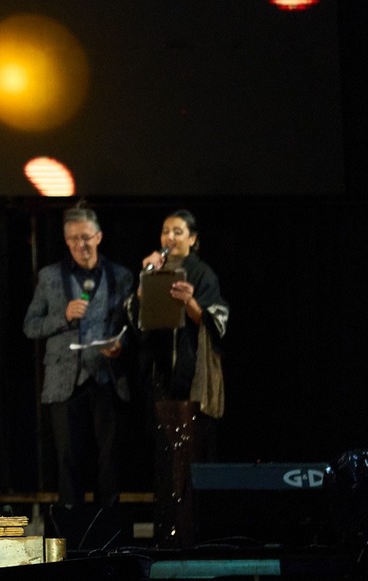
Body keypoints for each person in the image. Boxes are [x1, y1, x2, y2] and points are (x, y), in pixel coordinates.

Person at [22, 205, 132, 537]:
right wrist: (64, 316)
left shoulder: (121, 277)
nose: (79, 246)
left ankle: (107, 533)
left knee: (108, 459)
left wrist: (121, 346)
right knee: (69, 459)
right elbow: (30, 326)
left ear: (98, 237)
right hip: (64, 381)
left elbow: (133, 325)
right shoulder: (50, 277)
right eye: (72, 240)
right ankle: (70, 536)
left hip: (105, 377)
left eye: (85, 238)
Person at [132, 209, 228, 546]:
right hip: (161, 374)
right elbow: (133, 316)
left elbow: (217, 323)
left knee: (188, 457)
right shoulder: (156, 271)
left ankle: (189, 535)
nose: (169, 238)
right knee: (166, 456)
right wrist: (145, 285)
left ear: (193, 238)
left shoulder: (203, 274)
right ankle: (166, 533)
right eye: (165, 231)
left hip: (191, 378)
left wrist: (190, 302)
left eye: (177, 231)